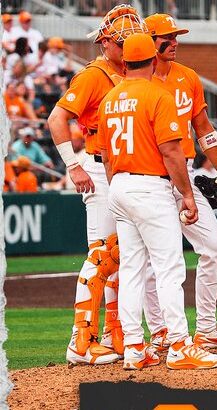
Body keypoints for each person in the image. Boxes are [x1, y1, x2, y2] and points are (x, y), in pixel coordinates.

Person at [97, 32, 217, 370]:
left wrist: (119, 187)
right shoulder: (159, 94)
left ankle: (135, 349)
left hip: (120, 185)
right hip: (151, 187)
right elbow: (171, 152)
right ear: (154, 61)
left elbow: (106, 156)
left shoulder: (110, 99)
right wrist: (186, 194)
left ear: (124, 63)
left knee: (132, 271)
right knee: (170, 269)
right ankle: (181, 346)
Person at [48, 4, 146, 365]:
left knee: (122, 256)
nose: (129, 47)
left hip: (124, 170)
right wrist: (73, 166)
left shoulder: (132, 74)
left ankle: (114, 331)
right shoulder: (94, 75)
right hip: (99, 169)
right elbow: (56, 118)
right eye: (123, 42)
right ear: (106, 43)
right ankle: (81, 340)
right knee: (101, 254)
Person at [144, 13, 217, 349]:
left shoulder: (187, 77)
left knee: (215, 248)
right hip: (153, 176)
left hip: (186, 174)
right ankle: (160, 333)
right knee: (152, 260)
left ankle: (206, 327)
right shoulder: (136, 80)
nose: (174, 43)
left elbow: (203, 129)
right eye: (167, 37)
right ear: (149, 41)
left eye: (176, 37)